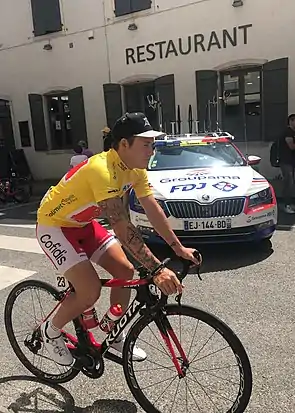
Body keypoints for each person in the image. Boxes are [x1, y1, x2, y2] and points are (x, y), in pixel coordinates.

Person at [36, 112, 201, 366]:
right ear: (124, 144)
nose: (151, 150)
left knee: (125, 270)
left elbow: (151, 207)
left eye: (152, 144)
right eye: (146, 144)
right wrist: (156, 268)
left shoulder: (134, 169)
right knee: (89, 291)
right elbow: (121, 225)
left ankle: (113, 334)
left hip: (82, 224)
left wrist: (178, 248)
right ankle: (50, 330)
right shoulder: (101, 170)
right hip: (54, 226)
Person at [278, 114, 295, 213]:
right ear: (291, 121)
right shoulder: (288, 132)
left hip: (291, 161)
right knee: (289, 182)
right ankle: (286, 204)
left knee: (291, 182)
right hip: (285, 161)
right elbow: (291, 146)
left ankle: (290, 203)